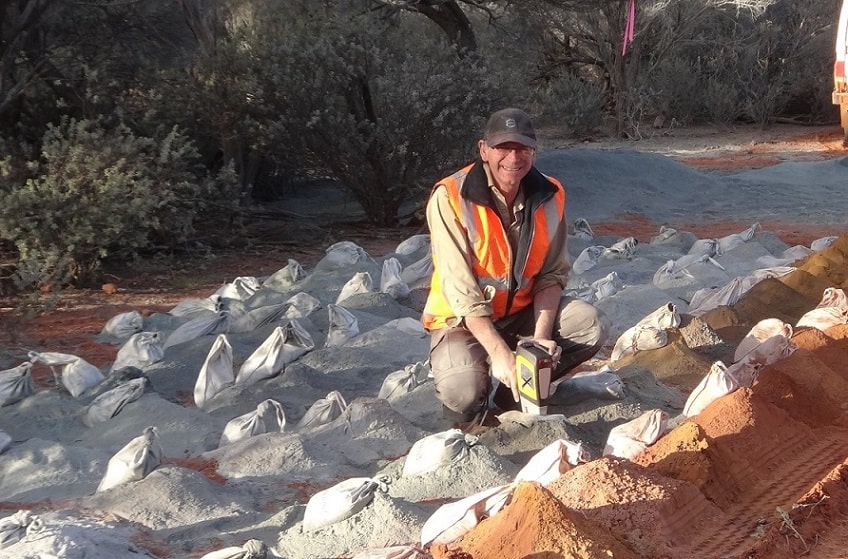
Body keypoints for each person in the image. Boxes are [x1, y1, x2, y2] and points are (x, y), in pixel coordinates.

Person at [421, 107, 609, 430]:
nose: (513, 157)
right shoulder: (450, 197)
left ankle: (511, 399)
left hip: (520, 314)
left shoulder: (551, 195)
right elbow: (461, 291)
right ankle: (467, 423)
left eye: (522, 148)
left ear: (534, 152)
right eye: (503, 147)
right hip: (460, 321)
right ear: (484, 150)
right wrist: (499, 354)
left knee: (591, 324)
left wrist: (539, 340)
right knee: (462, 389)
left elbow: (552, 274)